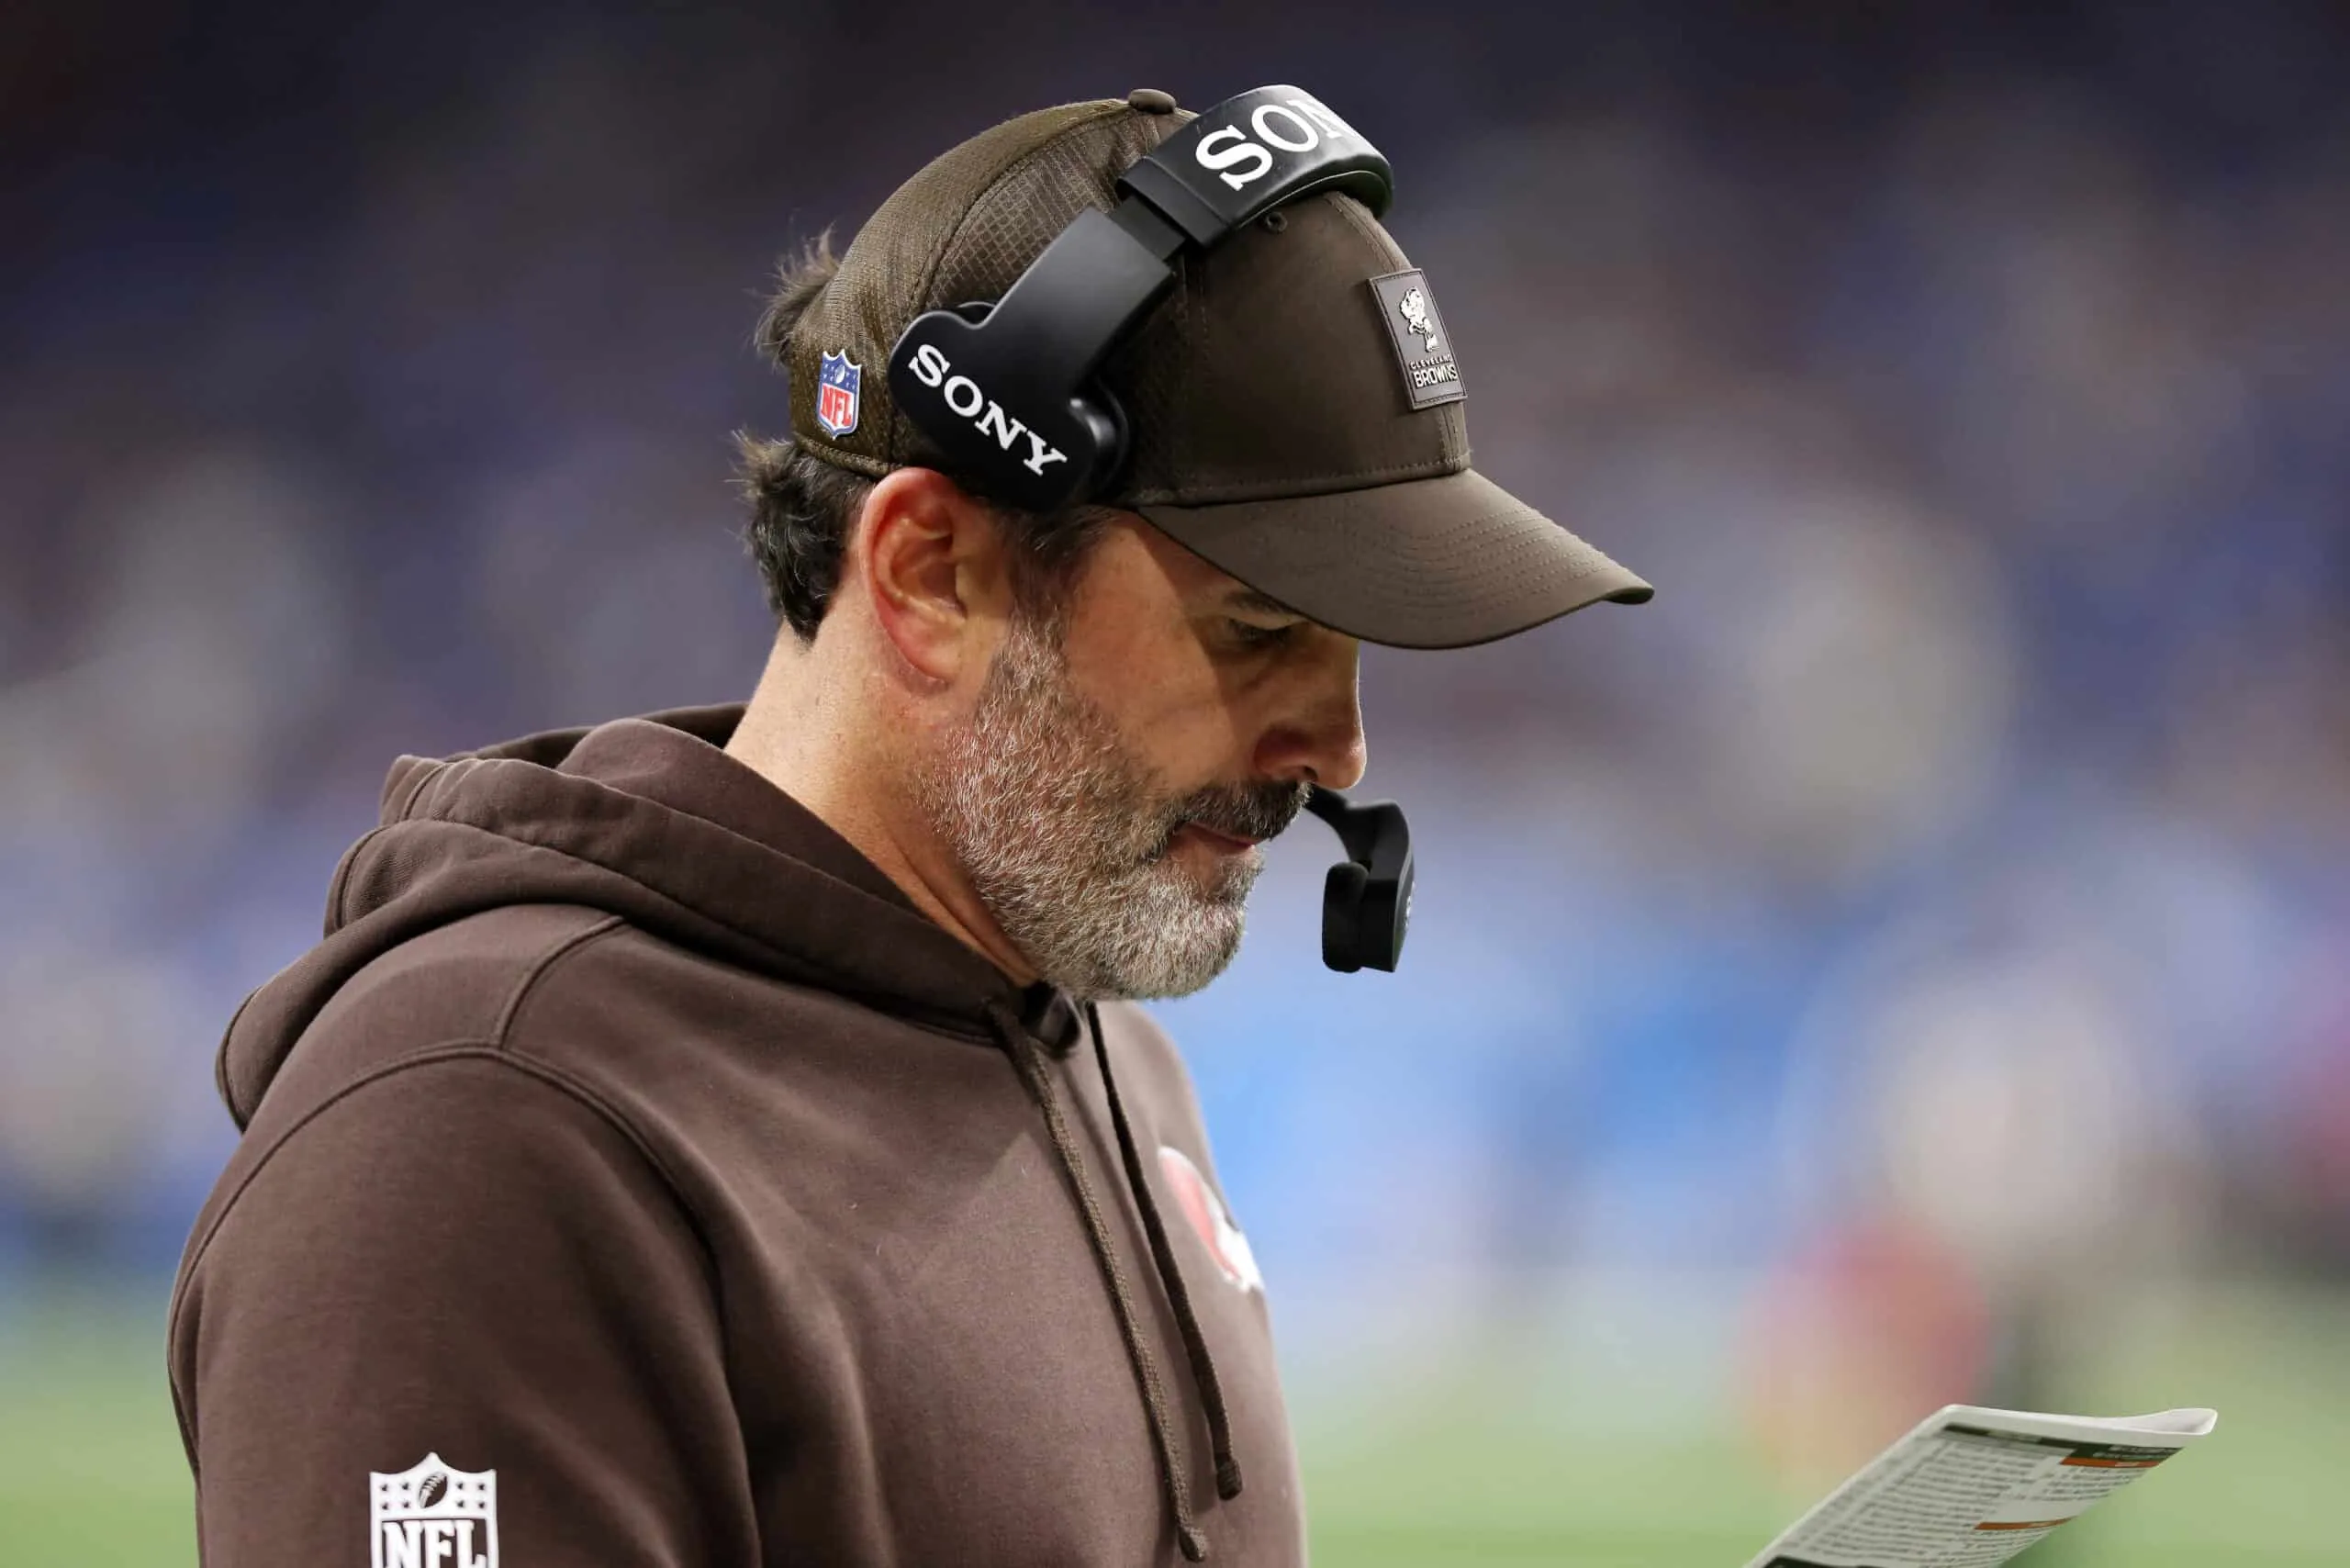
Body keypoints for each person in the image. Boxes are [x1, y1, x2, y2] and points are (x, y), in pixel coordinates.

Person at [166, 88, 1650, 1566]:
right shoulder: (491, 1131)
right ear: (932, 570)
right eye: (1259, 627)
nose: (1338, 747)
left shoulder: (1102, 1046)